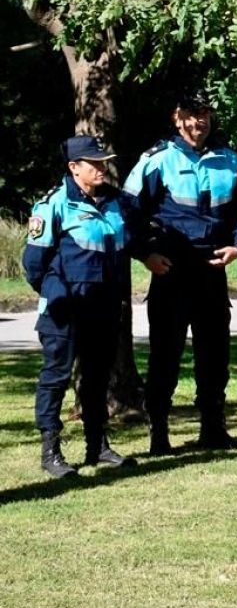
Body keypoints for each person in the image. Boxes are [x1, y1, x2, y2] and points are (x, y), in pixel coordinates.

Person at [124, 92, 237, 454]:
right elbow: (127, 212)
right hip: (170, 272)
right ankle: (160, 436)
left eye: (204, 114)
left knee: (215, 355)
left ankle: (213, 429)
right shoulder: (156, 161)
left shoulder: (230, 161)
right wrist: (145, 254)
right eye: (190, 114)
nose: (198, 122)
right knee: (165, 357)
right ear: (176, 116)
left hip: (212, 271)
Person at [23, 136, 148, 477]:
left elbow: (135, 240)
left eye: (104, 161)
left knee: (96, 379)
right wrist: (56, 293)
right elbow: (33, 264)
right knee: (56, 378)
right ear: (74, 167)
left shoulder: (118, 203)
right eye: (94, 163)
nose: (101, 168)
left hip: (104, 308)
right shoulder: (54, 204)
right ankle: (51, 452)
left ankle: (98, 446)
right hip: (64, 309)